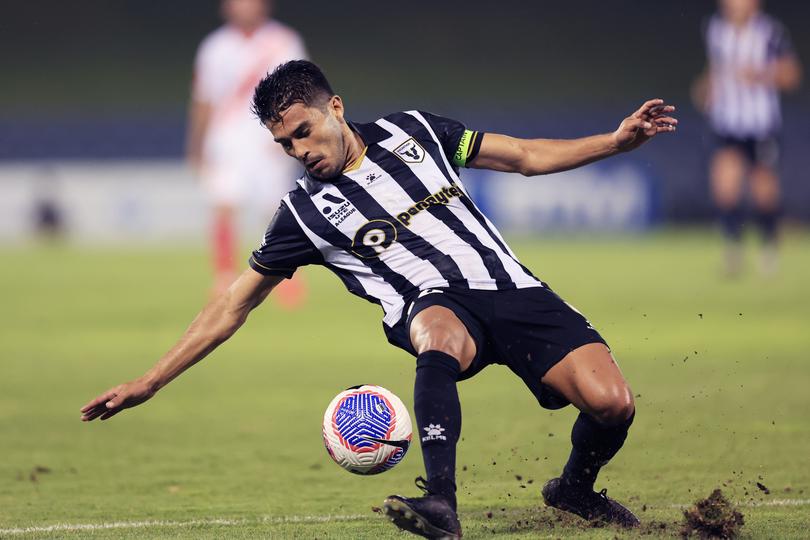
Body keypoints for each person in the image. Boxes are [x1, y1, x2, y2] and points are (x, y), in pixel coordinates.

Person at [82, 60, 677, 538]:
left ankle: (574, 489)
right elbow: (233, 304)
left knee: (613, 404)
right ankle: (440, 502)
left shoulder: (414, 131)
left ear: (335, 109)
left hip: (515, 290)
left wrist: (618, 142)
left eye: (304, 132)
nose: (300, 151)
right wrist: (150, 381)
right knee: (438, 329)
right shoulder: (301, 214)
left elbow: (523, 156)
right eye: (285, 145)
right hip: (434, 307)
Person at [186, 0, 309, 302]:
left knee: (278, 209)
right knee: (224, 204)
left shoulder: (284, 41)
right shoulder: (214, 47)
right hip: (226, 138)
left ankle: (285, 275)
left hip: (270, 138)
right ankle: (224, 276)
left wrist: (293, 136)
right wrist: (196, 144)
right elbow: (204, 98)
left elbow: (300, 92)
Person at [692, 0, 801, 276]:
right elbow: (716, 69)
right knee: (725, 188)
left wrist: (763, 74)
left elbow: (792, 75)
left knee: (764, 193)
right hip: (726, 122)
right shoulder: (715, 29)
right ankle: (733, 252)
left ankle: (768, 249)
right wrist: (706, 88)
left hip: (760, 125)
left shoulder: (770, 32)